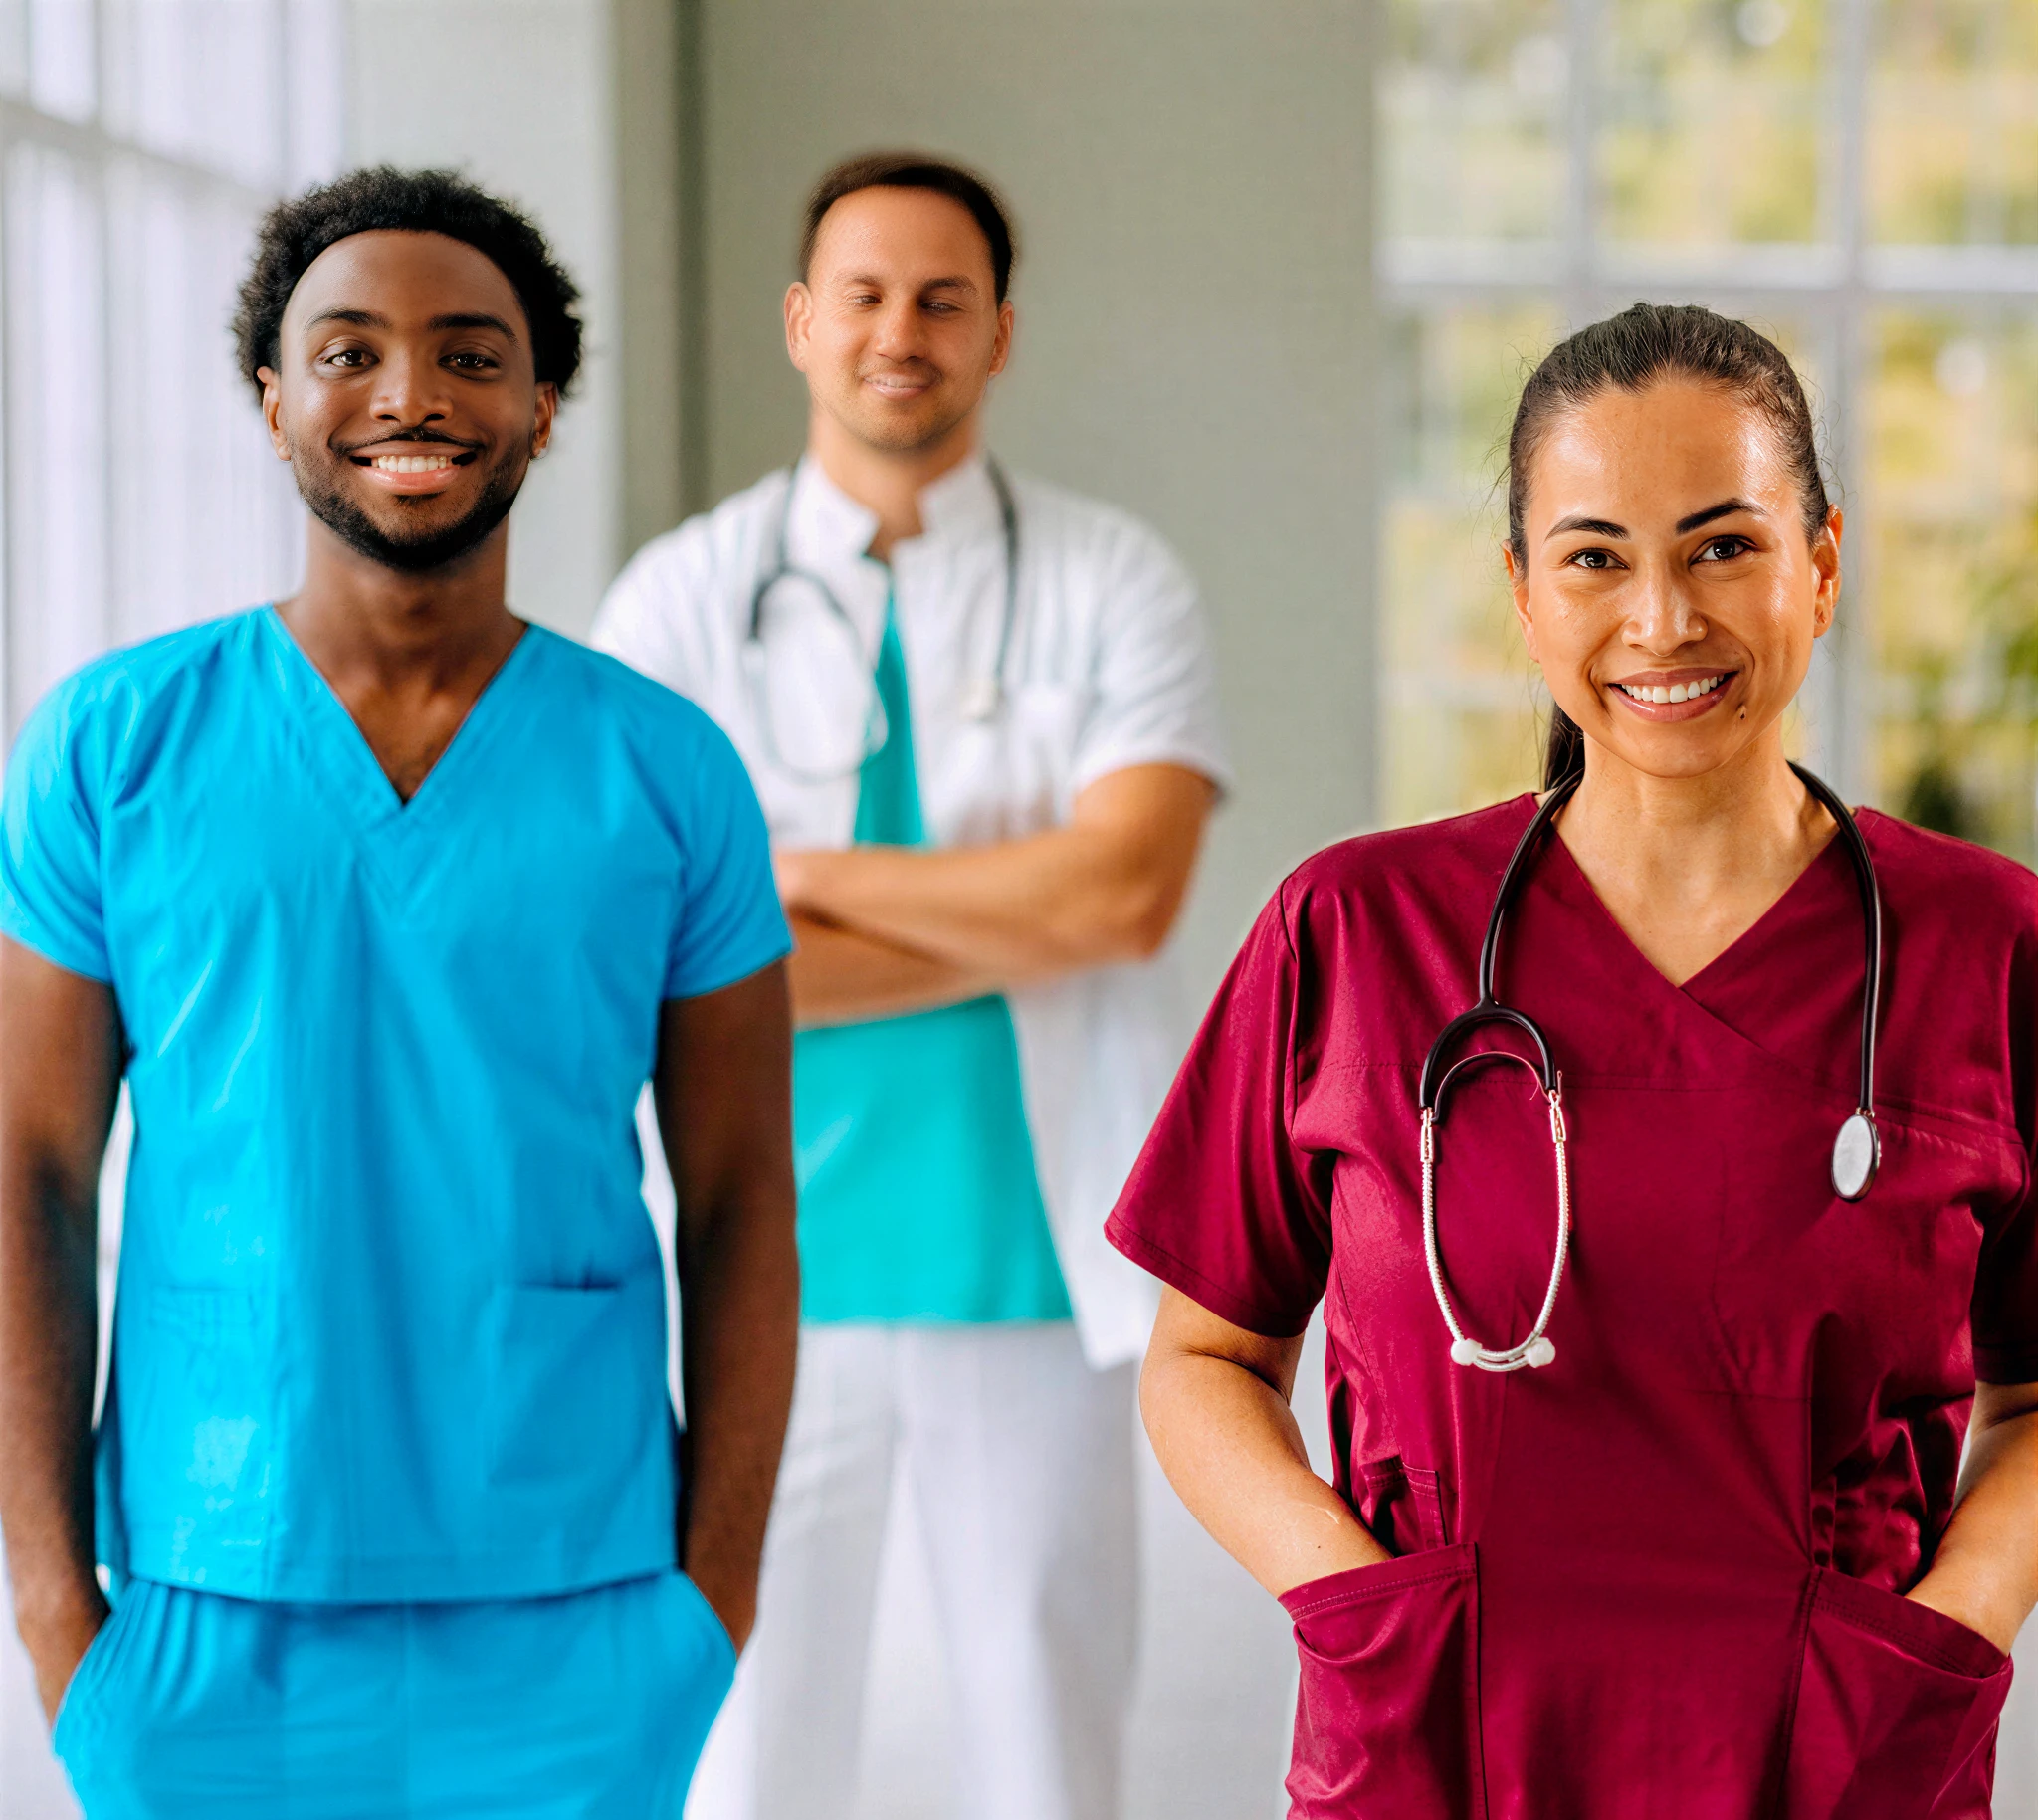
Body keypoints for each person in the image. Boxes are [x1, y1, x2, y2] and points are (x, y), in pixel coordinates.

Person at [1114, 303, 2038, 1816]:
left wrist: (1956, 1625)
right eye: (1597, 558)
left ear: (1822, 565)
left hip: (1837, 1759)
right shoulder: (1355, 932)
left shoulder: (1985, 946)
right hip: (1444, 1752)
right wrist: (1361, 1606)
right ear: (1525, 598)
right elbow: (1203, 1359)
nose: (1662, 621)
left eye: (1724, 547)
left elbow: (2037, 1392)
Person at [0, 168, 799, 1818]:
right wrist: (54, 1612)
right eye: (348, 350)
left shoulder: (666, 773)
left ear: (543, 406)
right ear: (271, 399)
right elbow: (31, 1173)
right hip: (204, 1593)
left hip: (579, 1606)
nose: (410, 394)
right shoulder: (111, 747)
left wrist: (707, 1608)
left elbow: (739, 1198)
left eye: (471, 354)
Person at [593, 151, 1227, 1820]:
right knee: (743, 1759)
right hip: (754, 1279)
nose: (901, 333)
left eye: (944, 300)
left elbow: (1130, 894)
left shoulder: (1113, 580)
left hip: (1024, 1266)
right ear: (801, 323)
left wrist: (788, 878)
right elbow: (644, 958)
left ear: (998, 333)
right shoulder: (677, 601)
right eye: (864, 296)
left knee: (1045, 1753)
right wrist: (1022, 906)